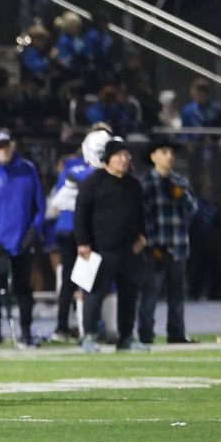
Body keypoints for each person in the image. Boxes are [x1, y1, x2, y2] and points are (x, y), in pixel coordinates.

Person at [0, 130, 45, 348]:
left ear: (13, 145)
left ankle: (26, 332)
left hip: (22, 243)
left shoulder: (28, 171)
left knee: (24, 292)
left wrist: (32, 233)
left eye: (7, 145)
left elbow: (39, 206)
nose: (4, 149)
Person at [75, 140, 149, 352]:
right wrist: (83, 242)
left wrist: (143, 236)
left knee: (129, 295)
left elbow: (140, 213)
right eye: (119, 156)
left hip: (128, 250)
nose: (124, 160)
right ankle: (89, 336)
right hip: (100, 250)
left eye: (127, 156)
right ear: (108, 158)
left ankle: (126, 337)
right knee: (95, 294)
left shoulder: (133, 184)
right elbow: (81, 214)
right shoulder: (93, 182)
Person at [46, 128, 110, 342]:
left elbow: (55, 202)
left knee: (73, 281)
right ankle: (84, 328)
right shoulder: (81, 173)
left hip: (71, 228)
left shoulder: (75, 170)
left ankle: (68, 327)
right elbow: (57, 201)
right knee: (83, 280)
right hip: (78, 231)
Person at [139, 138, 200, 344]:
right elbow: (141, 216)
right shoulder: (145, 183)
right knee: (150, 294)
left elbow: (193, 210)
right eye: (164, 152)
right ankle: (146, 335)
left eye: (171, 153)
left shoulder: (180, 182)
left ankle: (176, 333)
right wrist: (149, 245)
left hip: (178, 246)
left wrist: (182, 196)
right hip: (156, 248)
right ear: (153, 156)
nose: (170, 156)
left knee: (178, 295)